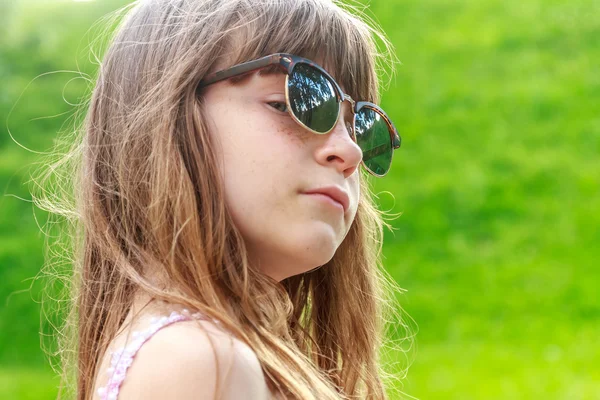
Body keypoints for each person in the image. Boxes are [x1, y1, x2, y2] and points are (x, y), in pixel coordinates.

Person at [36, 0, 412, 399]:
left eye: (358, 126)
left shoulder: (209, 355)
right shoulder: (198, 362)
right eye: (290, 102)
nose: (350, 151)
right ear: (169, 118)